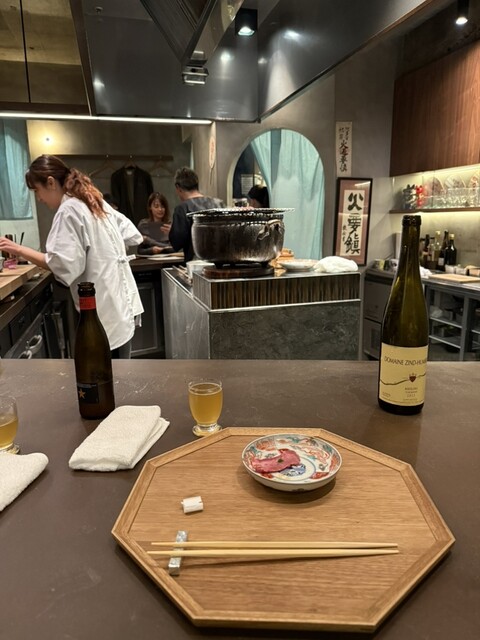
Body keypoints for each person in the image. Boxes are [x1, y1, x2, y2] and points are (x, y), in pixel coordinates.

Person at [0, 155, 143, 358]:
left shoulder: (68, 210)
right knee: (120, 367)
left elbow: (62, 265)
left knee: (105, 370)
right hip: (121, 305)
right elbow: (132, 234)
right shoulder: (93, 201)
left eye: (36, 190)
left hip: (103, 311)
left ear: (51, 182)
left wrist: (20, 250)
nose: (39, 198)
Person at [169, 167, 224, 262]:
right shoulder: (219, 204)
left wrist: (172, 231)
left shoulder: (182, 209)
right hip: (221, 262)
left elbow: (177, 243)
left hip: (196, 263)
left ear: (178, 188)